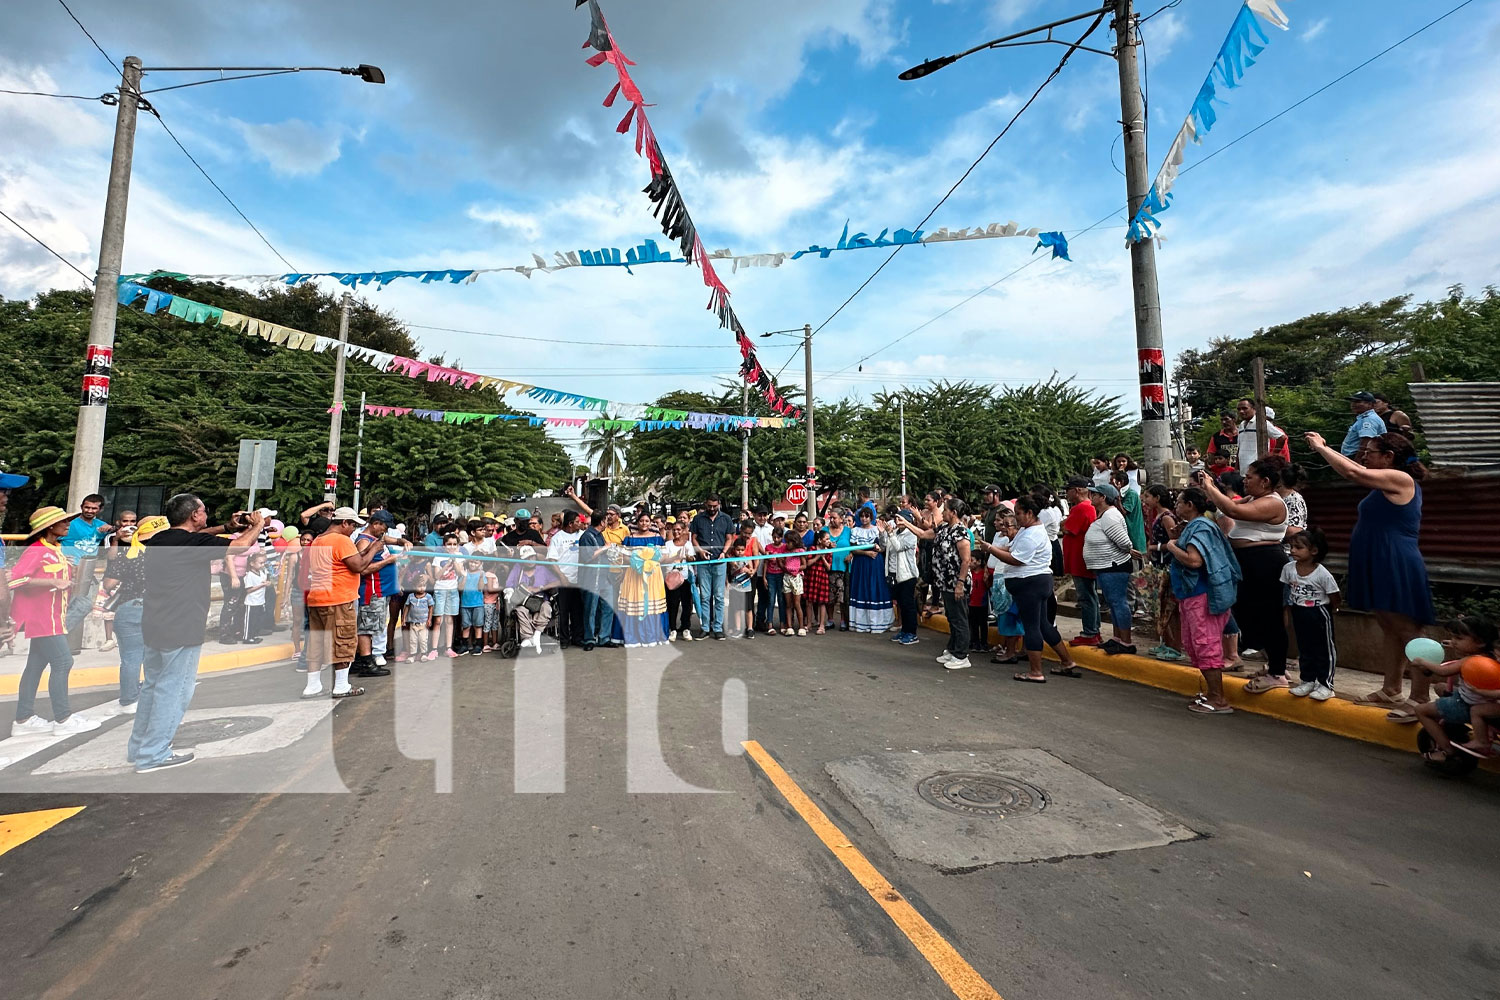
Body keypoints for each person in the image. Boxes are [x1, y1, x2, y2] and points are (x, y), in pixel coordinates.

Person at [1306, 429, 1436, 719]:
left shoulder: (1401, 478)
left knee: (1408, 630)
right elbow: (1357, 470)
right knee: (1390, 626)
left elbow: (1354, 473)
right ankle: (1391, 689)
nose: (1365, 457)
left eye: (1372, 452)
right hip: (1378, 557)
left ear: (1389, 457)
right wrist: (1327, 448)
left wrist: (1320, 448)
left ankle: (1420, 697)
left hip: (1394, 558)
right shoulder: (1384, 481)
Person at [128, 497, 264, 770]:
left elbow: (196, 536)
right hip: (183, 625)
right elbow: (240, 546)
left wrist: (225, 526)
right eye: (203, 512)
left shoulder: (162, 540)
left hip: (155, 623)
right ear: (193, 515)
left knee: (153, 687)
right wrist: (257, 525)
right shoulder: (192, 544)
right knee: (174, 690)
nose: (206, 516)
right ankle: (153, 754)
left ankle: (139, 746)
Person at [1199, 459, 1291, 691]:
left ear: (1265, 481)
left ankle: (1278, 672)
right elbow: (1230, 505)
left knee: (1270, 617)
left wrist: (1210, 487)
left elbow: (1233, 510)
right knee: (1253, 614)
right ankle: (1274, 665)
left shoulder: (1273, 503)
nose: (1244, 480)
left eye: (1250, 477)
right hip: (1250, 562)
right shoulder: (1256, 498)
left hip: (1265, 562)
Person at [9, 506, 101, 736]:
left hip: (54, 618)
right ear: (50, 526)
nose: (69, 524)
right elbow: (14, 581)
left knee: (34, 668)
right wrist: (51, 582)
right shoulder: (36, 550)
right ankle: (63, 719)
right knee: (63, 663)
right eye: (64, 521)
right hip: (41, 619)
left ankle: (23, 719)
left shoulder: (56, 549)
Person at [977, 496, 1080, 682]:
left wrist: (992, 549)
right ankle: (1067, 661)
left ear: (1030, 513)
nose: (1015, 518)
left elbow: (1017, 559)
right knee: (1042, 624)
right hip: (1032, 582)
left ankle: (1035, 671)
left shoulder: (1032, 534)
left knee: (1032, 627)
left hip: (1030, 583)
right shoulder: (1028, 530)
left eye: (1018, 514)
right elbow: (1012, 549)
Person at [1166, 488, 1242, 714]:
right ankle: (1211, 693)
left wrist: (1171, 545)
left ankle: (1218, 699)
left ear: (1190, 505)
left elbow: (1194, 561)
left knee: (1206, 645)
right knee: (1197, 645)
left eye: (1179, 502)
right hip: (1192, 595)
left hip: (1201, 595)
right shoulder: (1197, 526)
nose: (1176, 506)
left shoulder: (1201, 527)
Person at [302, 507, 380, 700]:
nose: (353, 529)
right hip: (338, 599)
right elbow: (359, 567)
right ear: (344, 523)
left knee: (316, 643)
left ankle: (313, 686)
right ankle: (341, 686)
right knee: (343, 641)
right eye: (353, 525)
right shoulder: (341, 540)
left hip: (317, 598)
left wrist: (368, 549)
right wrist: (375, 550)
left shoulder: (319, 540)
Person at [99, 514, 169, 713]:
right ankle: (150, 694)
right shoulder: (168, 557)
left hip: (130, 608)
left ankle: (129, 700)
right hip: (157, 609)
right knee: (152, 655)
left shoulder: (130, 554)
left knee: (130, 658)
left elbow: (108, 584)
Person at [1409, 617, 1499, 762]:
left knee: (1421, 710)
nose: (1454, 641)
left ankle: (1448, 751)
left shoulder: (1469, 661)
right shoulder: (1490, 657)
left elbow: (1443, 671)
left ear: (1480, 642)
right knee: (1441, 687)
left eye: (1459, 638)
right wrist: (1454, 644)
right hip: (1480, 701)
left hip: (1465, 704)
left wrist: (1422, 661)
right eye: (1452, 637)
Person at [1281, 528, 1340, 700]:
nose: (1292, 551)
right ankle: (1307, 679)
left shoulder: (1322, 574)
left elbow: (1334, 595)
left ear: (1314, 551)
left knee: (1324, 649)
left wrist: (1333, 610)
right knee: (1305, 646)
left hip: (1319, 612)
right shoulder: (1288, 568)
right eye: (1291, 547)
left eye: (1298, 548)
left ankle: (1326, 684)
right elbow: (1285, 589)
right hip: (1299, 611)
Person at [1083, 483, 1140, 655]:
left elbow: (1124, 542)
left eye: (1094, 494)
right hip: (1106, 566)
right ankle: (1117, 638)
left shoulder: (1110, 516)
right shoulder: (1105, 515)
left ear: (1103, 497)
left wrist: (1126, 551)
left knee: (1118, 602)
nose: (1091, 497)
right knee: (1114, 603)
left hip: (1114, 565)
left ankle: (1126, 641)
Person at [1139, 485, 1183, 662]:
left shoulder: (1167, 517)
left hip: (1167, 566)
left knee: (1170, 608)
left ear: (1157, 498)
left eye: (1148, 496)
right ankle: (1165, 642)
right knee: (1160, 607)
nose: (1145, 500)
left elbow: (1175, 541)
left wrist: (1154, 547)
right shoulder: (1157, 516)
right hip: (1158, 564)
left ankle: (1175, 646)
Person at [354, 511, 401, 669]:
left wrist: (403, 541)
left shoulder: (377, 538)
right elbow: (363, 569)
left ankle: (375, 654)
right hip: (372, 590)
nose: (385, 532)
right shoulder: (364, 541)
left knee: (378, 624)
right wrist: (389, 560)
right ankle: (368, 658)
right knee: (368, 625)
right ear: (376, 524)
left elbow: (391, 539)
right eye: (384, 527)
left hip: (383, 590)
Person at [614, 511, 669, 647]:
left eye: (646, 521)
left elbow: (664, 556)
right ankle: (633, 636)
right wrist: (637, 562)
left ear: (651, 523)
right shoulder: (630, 538)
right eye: (641, 521)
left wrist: (651, 562)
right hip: (634, 575)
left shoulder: (657, 538)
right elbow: (624, 557)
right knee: (634, 603)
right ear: (637, 523)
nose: (644, 523)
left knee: (651, 604)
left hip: (653, 576)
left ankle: (652, 635)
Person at [931, 498, 973, 670]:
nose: (942, 513)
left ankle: (962, 655)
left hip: (956, 581)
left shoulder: (960, 532)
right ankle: (953, 648)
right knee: (952, 617)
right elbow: (926, 533)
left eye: (945, 510)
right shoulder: (944, 528)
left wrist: (960, 584)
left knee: (959, 618)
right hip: (944, 580)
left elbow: (966, 560)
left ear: (953, 513)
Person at [1061, 477, 1101, 647]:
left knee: (1086, 597)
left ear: (1076, 490)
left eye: (1068, 490)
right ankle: (1093, 630)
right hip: (1083, 558)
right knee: (1089, 596)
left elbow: (1066, 528)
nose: (1067, 494)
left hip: (1080, 559)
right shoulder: (1088, 508)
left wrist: (1063, 523)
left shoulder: (1081, 508)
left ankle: (1090, 631)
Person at [690, 495, 735, 640]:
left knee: (719, 596)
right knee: (705, 596)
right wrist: (700, 551)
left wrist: (724, 552)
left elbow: (730, 538)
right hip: (703, 562)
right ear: (705, 504)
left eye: (714, 506)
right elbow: (694, 538)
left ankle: (717, 627)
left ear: (719, 505)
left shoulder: (726, 519)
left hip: (720, 561)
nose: (711, 509)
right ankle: (705, 627)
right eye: (709, 506)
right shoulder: (698, 519)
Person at [505, 546, 562, 655]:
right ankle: (527, 637)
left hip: (540, 600)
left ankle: (536, 635)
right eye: (527, 559)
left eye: (532, 557)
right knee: (520, 610)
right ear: (522, 561)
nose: (531, 561)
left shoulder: (542, 569)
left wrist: (539, 588)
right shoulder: (518, 568)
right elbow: (509, 584)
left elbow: (557, 582)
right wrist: (511, 592)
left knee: (547, 608)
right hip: (523, 601)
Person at [847, 506, 893, 634]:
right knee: (861, 588)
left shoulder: (876, 530)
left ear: (871, 517)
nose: (864, 518)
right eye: (862, 516)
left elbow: (883, 547)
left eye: (867, 516)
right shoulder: (855, 530)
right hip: (861, 563)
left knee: (874, 587)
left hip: (875, 564)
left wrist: (882, 535)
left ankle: (877, 622)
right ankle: (862, 622)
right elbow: (854, 549)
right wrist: (867, 553)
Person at [546, 510, 586, 649]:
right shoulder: (557, 538)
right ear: (570, 524)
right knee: (564, 611)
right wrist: (561, 576)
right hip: (563, 581)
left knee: (578, 610)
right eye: (577, 522)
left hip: (579, 579)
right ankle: (564, 639)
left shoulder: (582, 535)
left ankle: (578, 637)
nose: (580, 524)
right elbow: (552, 560)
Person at [577, 510, 616, 650]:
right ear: (601, 522)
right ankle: (589, 639)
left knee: (608, 607)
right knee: (590, 609)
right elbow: (587, 556)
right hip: (591, 578)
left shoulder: (600, 536)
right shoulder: (586, 536)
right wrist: (604, 548)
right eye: (606, 520)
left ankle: (604, 637)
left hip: (605, 577)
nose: (607, 523)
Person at [661, 519, 697, 641]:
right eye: (674, 530)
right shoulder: (668, 544)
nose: (676, 532)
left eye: (678, 530)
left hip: (685, 577)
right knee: (672, 604)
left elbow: (692, 559)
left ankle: (686, 628)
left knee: (687, 604)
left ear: (683, 531)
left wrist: (687, 556)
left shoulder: (688, 544)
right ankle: (673, 629)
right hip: (671, 578)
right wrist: (675, 557)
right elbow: (664, 560)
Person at [1234, 398, 1289, 472]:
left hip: (1257, 470)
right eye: (1239, 409)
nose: (1241, 411)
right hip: (1243, 469)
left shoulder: (1261, 423)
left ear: (1253, 409)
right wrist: (1236, 468)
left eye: (1245, 408)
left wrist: (1272, 456)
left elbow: (1282, 437)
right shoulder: (1241, 425)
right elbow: (1240, 448)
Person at [826, 509, 853, 631]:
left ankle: (843, 620)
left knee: (843, 596)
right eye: (830, 518)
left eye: (834, 518)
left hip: (844, 567)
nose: (832, 520)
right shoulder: (825, 531)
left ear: (841, 519)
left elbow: (854, 546)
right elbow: (818, 544)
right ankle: (830, 619)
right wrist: (827, 545)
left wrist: (851, 555)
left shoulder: (848, 531)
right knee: (829, 596)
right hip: (829, 567)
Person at [1340, 391, 1387, 457]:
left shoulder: (1369, 419)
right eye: (1352, 402)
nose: (1353, 404)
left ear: (1370, 404)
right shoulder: (1364, 418)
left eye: (1357, 402)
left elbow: (1366, 441)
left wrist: (1358, 460)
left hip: (1357, 456)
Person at [401, 576, 435, 661]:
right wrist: (404, 618)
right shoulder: (411, 596)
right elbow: (407, 607)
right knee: (413, 640)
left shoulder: (428, 597)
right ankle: (412, 655)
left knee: (423, 640)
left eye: (424, 586)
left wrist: (429, 619)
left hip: (423, 623)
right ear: (414, 586)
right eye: (419, 586)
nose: (422, 588)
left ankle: (423, 654)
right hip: (413, 623)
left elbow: (431, 608)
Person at [458, 559, 487, 655]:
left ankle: (478, 646)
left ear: (480, 563)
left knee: (477, 625)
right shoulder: (464, 573)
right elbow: (460, 588)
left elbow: (480, 588)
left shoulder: (482, 573)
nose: (473, 564)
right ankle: (465, 646)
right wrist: (465, 576)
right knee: (465, 626)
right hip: (465, 603)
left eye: (476, 562)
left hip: (478, 603)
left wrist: (481, 577)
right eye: (471, 562)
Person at [241, 551, 272, 642]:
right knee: (250, 621)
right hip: (251, 602)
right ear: (252, 563)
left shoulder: (262, 573)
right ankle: (247, 637)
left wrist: (267, 583)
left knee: (256, 621)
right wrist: (261, 586)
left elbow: (265, 581)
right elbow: (249, 590)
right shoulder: (249, 575)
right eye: (260, 563)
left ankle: (254, 635)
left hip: (260, 601)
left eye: (263, 563)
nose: (262, 565)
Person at [781, 530, 806, 636]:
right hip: (787, 577)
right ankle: (789, 627)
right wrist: (783, 565)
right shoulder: (785, 551)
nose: (787, 544)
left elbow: (804, 565)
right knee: (788, 604)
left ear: (794, 541)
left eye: (789, 542)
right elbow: (783, 564)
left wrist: (795, 569)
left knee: (797, 604)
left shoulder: (800, 551)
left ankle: (801, 627)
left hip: (797, 578)